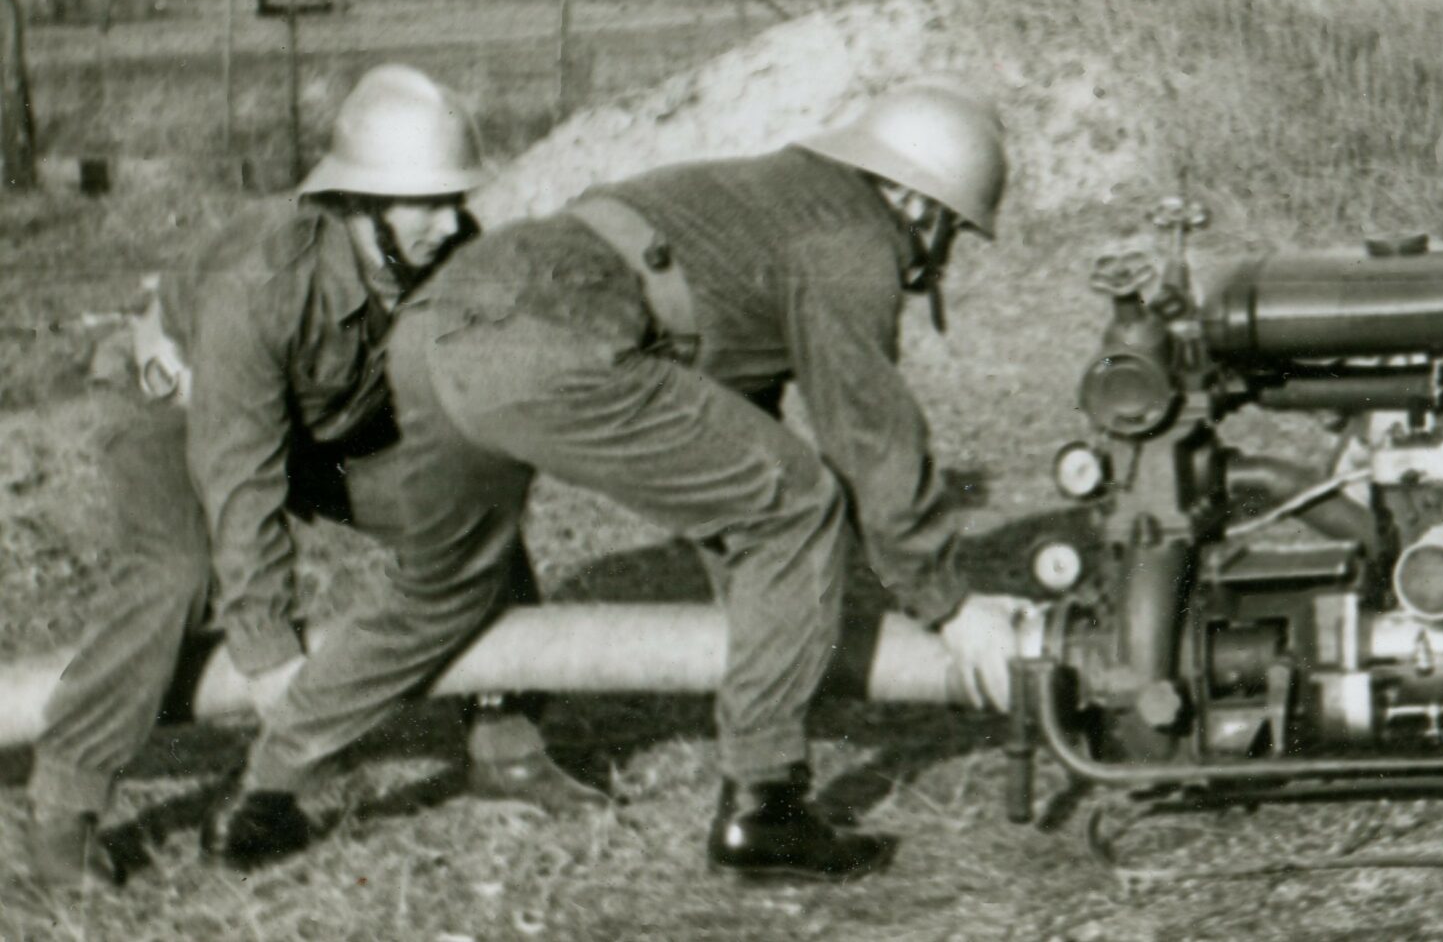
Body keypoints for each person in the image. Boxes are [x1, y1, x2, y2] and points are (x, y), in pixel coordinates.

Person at [202, 81, 1034, 884]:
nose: (941, 255)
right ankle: (766, 805)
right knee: (797, 502)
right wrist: (951, 605)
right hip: (545, 339)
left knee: (444, 586)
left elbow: (731, 424)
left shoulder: (769, 194)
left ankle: (265, 794)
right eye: (953, 233)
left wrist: (770, 610)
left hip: (436, 326)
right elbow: (871, 438)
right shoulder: (850, 238)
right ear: (920, 204)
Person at [24, 65, 598, 893]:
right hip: (175, 405)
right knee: (177, 573)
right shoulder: (264, 277)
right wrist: (268, 656)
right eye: (425, 203)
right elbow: (238, 473)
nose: (449, 222)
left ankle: (505, 746)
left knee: (471, 514)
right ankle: (63, 808)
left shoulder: (453, 251)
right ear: (360, 203)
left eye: (454, 198)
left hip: (322, 426)